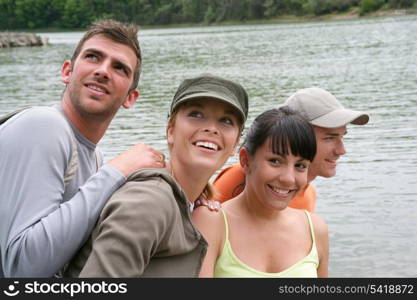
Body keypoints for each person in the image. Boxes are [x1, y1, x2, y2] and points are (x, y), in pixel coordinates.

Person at [0, 19, 166, 278]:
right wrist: (115, 171)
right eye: (93, 57)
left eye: (119, 68)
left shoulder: (93, 156)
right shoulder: (43, 125)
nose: (103, 71)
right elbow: (22, 270)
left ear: (130, 98)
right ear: (67, 71)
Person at [64, 73, 249, 277]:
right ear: (170, 130)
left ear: (236, 144)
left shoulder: (189, 202)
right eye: (196, 114)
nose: (211, 128)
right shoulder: (148, 201)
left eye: (226, 121)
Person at [192, 107, 329, 277]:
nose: (288, 178)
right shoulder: (211, 222)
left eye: (300, 166)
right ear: (245, 160)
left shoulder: (315, 229)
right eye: (275, 161)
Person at [212, 87, 369, 212]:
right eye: (329, 138)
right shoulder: (239, 178)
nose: (341, 150)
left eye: (342, 137)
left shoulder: (309, 195)